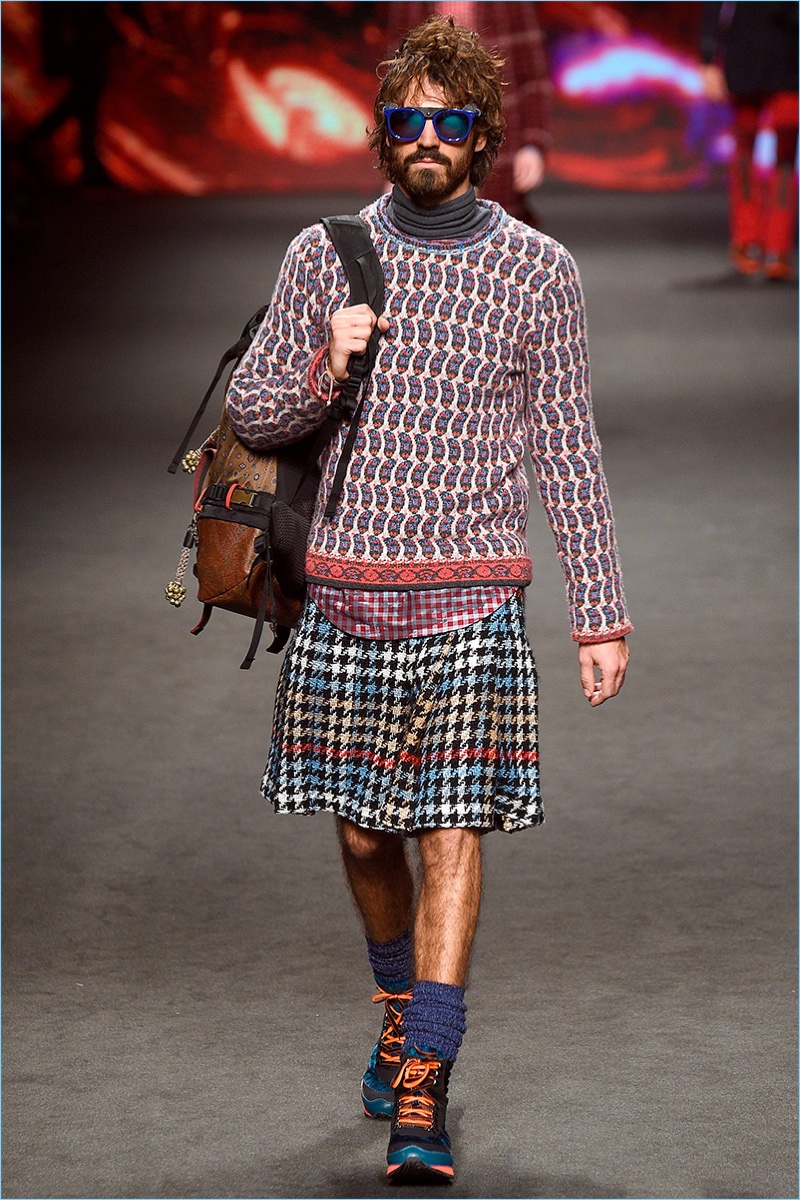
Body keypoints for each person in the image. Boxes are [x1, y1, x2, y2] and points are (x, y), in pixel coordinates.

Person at [227, 14, 631, 1182]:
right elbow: (252, 415)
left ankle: (424, 1080)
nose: (425, 139)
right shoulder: (324, 256)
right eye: (404, 120)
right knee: (364, 832)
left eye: (448, 122)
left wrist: (598, 612)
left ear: (481, 136)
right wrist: (325, 361)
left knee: (450, 829)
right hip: (344, 589)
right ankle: (399, 1006)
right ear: (382, 133)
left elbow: (567, 448)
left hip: (472, 594)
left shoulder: (538, 271)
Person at [384, 1, 552, 224]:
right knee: (428, 226)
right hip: (425, 130)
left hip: (499, 135)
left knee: (498, 227)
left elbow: (532, 77)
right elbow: (395, 81)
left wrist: (532, 144)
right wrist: (394, 165)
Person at [700, 1, 799, 281]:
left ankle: (777, 248)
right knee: (745, 153)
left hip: (789, 60)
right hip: (745, 56)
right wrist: (708, 59)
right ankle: (747, 242)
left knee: (785, 156)